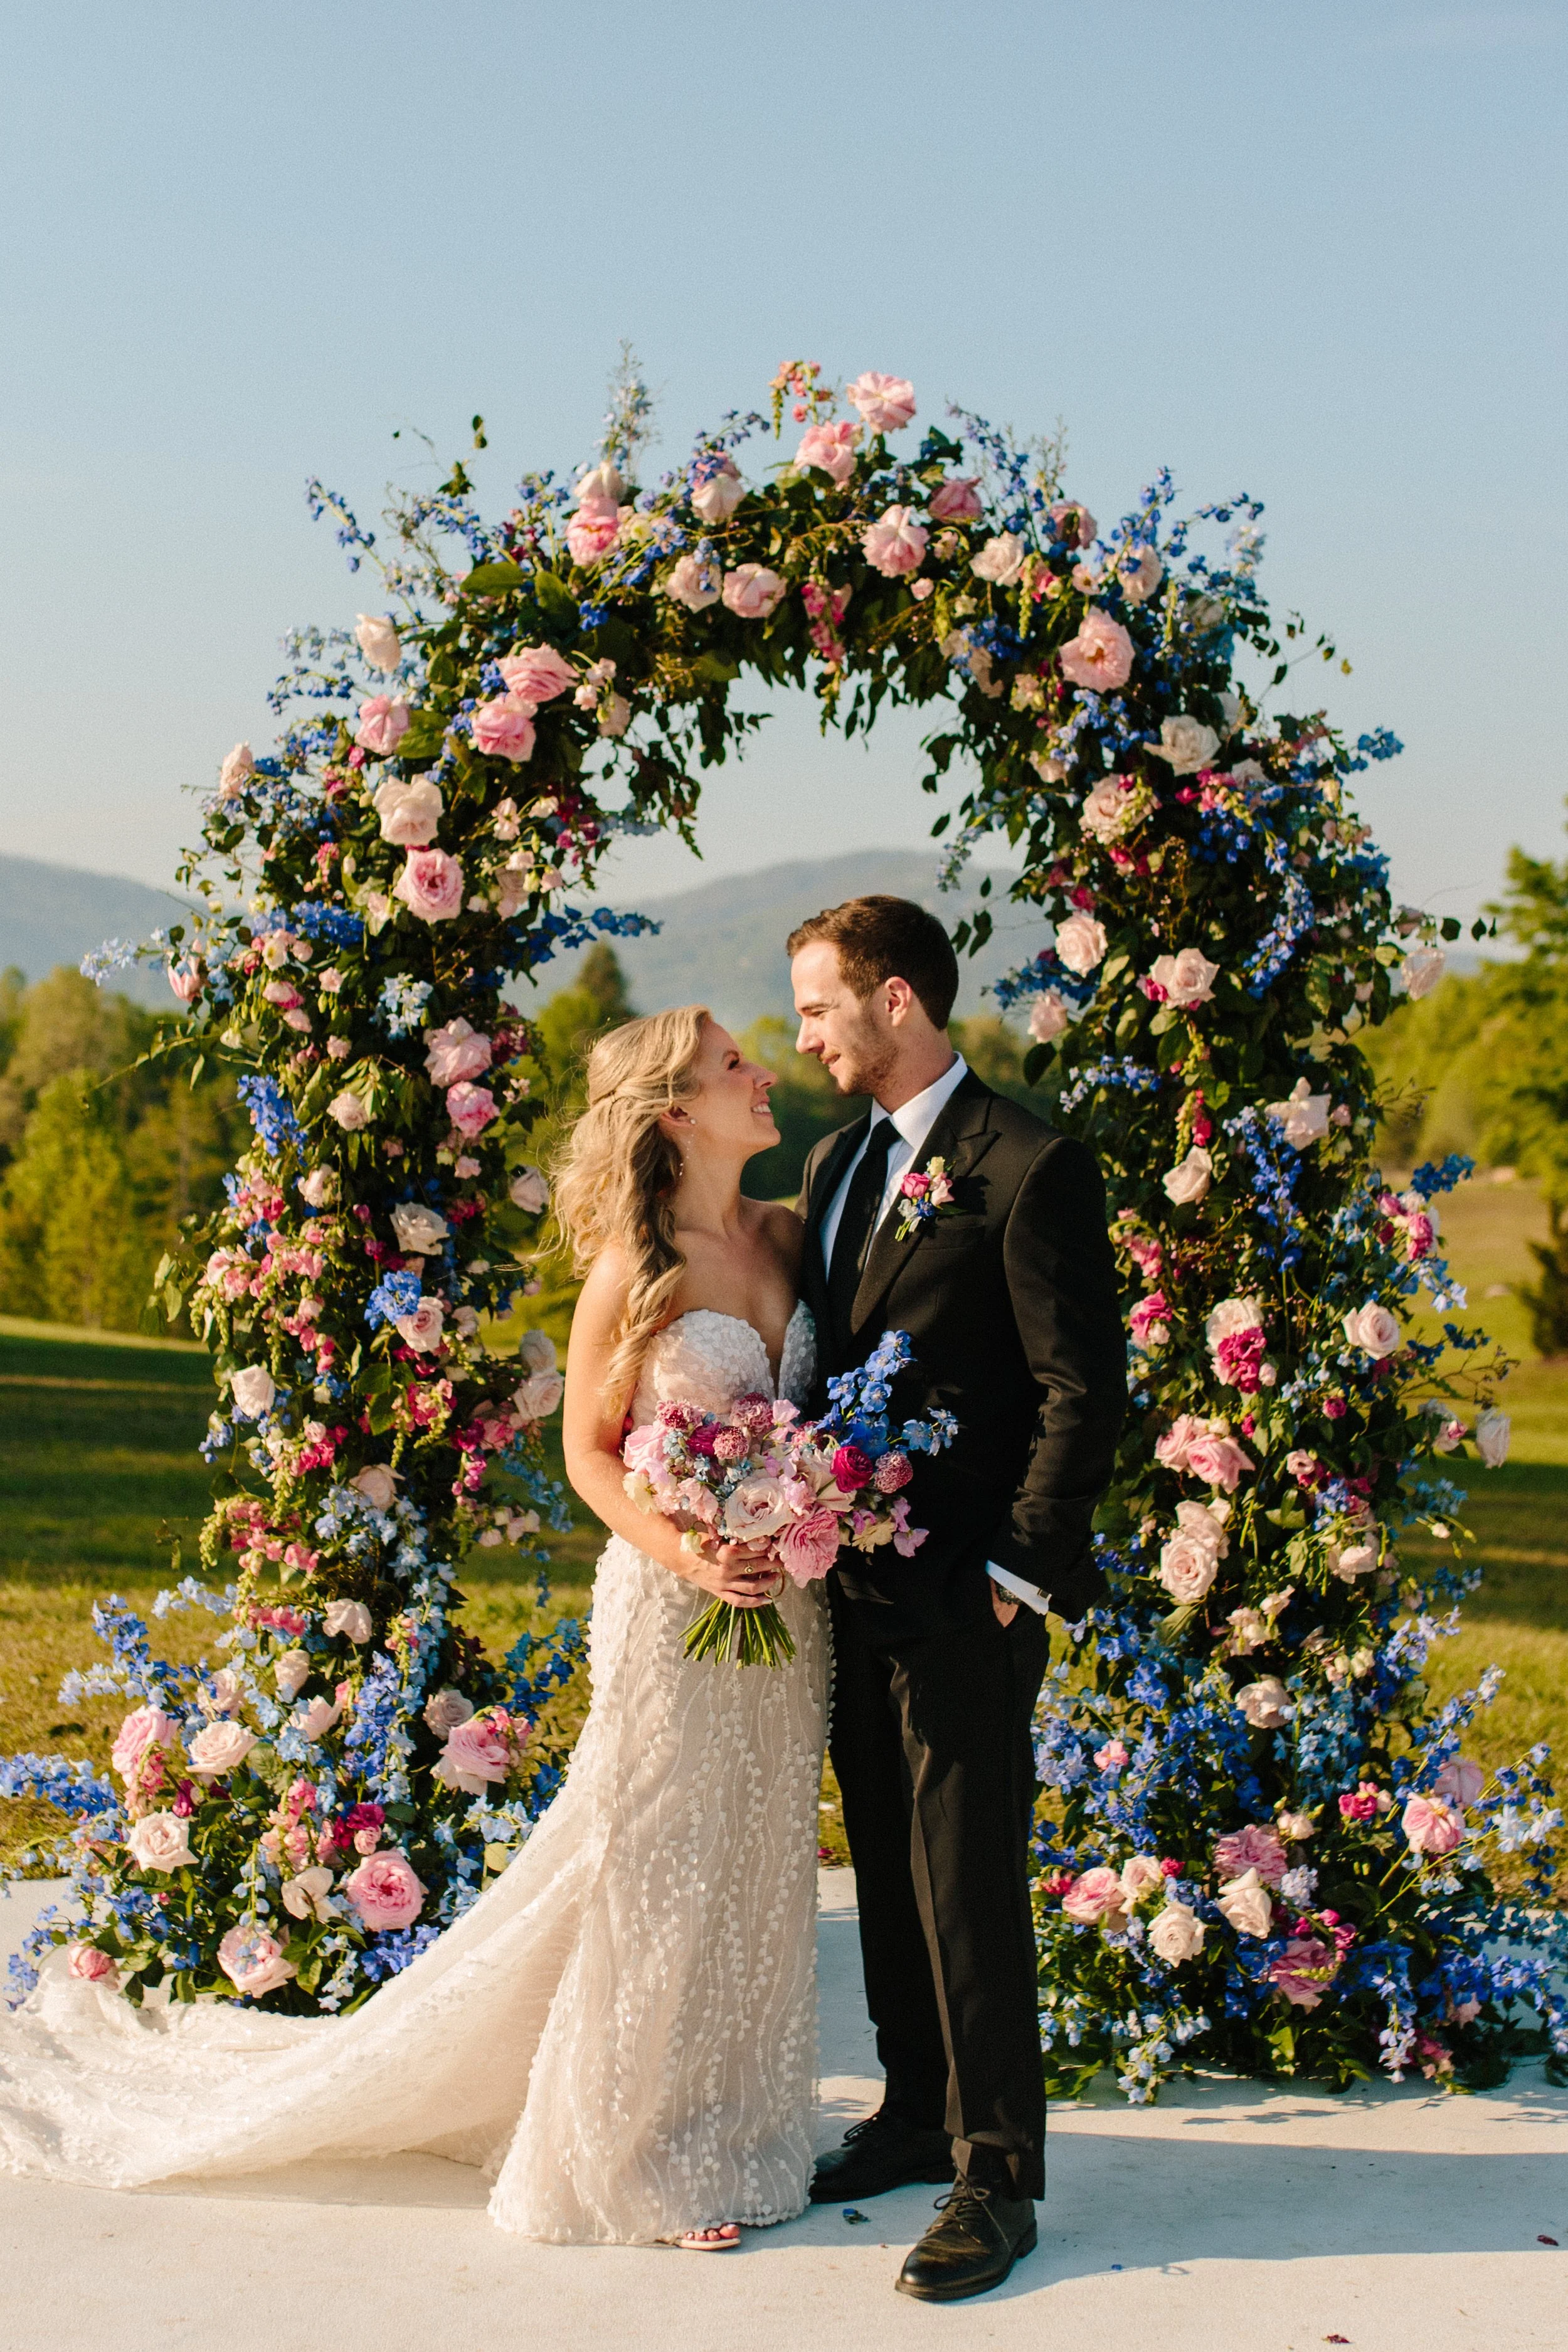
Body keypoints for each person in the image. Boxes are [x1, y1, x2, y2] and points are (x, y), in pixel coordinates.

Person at [0, 1006, 829, 2254]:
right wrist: (689, 1548)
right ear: (674, 1110)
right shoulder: (636, 1267)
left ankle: (734, 2118)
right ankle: (639, 2153)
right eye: (732, 1067)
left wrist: (802, 1500)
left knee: (757, 1852)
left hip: (787, 1606)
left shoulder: (788, 1235)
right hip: (676, 1607)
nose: (761, 1074)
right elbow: (590, 1456)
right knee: (651, 1864)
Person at [789, 895, 1125, 2304]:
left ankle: (997, 2174)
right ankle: (914, 2108)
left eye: (818, 1007)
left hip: (967, 1597)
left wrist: (1013, 1572)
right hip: (846, 1589)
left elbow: (1079, 1387)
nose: (804, 1033)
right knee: (881, 1854)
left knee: (967, 1879)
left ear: (896, 1005)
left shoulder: (1030, 1164)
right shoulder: (828, 1166)